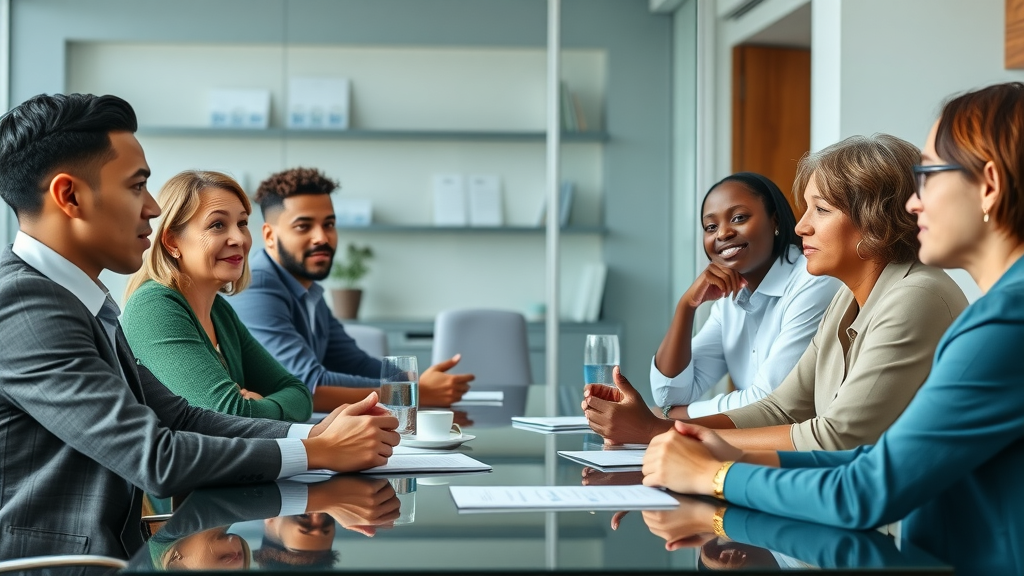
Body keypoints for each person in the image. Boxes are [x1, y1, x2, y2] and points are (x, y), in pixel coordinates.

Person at [640, 82, 1024, 576]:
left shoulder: (1003, 321)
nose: (912, 203)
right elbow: (869, 462)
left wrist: (717, 475)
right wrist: (723, 458)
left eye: (928, 175)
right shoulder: (994, 312)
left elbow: (866, 488)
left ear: (988, 185)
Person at [0, 93, 400, 559]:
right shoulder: (25, 305)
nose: (152, 207)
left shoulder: (88, 302)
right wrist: (319, 452)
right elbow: (157, 458)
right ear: (69, 196)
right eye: (136, 187)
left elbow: (184, 418)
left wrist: (315, 435)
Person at [584, 134, 968, 450]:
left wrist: (659, 433)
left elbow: (838, 437)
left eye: (820, 210)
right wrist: (659, 426)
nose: (801, 227)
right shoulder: (846, 300)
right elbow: (781, 409)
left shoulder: (916, 296)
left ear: (874, 220)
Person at [586, 172, 839, 441]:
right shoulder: (731, 298)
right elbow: (669, 394)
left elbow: (769, 401)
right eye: (710, 227)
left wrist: (671, 416)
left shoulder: (812, 280)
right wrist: (686, 306)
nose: (724, 233)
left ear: (774, 219)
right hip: (748, 445)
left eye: (739, 218)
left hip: (802, 450)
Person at [228, 167, 474, 412]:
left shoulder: (307, 288)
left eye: (329, 224)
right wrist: (410, 392)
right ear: (270, 236)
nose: (322, 238)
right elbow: (308, 386)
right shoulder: (257, 285)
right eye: (304, 226)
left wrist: (412, 383)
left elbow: (351, 361)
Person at [122, 171, 312, 422]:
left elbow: (300, 394)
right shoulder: (154, 307)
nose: (239, 239)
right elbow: (227, 415)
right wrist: (260, 407)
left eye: (242, 223)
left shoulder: (220, 312)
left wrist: (259, 407)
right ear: (172, 242)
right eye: (218, 225)